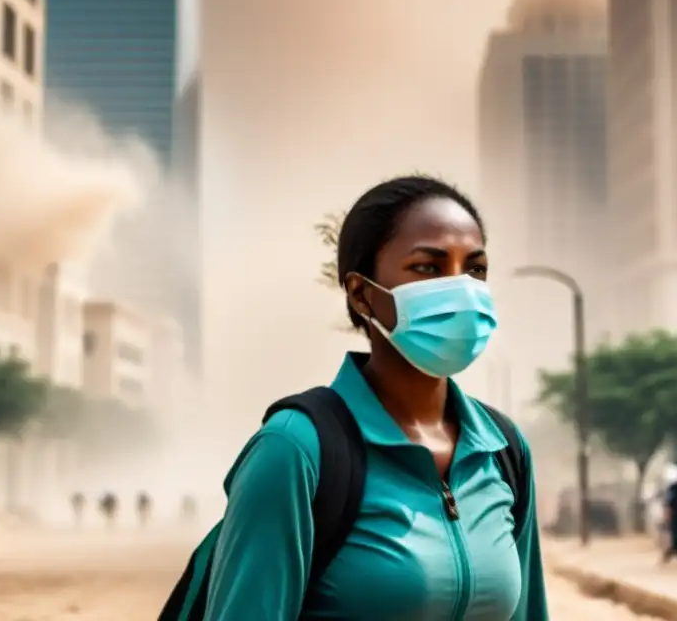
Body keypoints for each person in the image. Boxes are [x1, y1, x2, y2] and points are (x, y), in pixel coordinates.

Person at [203, 176, 548, 619]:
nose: (462, 289)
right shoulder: (296, 450)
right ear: (362, 294)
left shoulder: (502, 449)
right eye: (428, 267)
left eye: (475, 269)